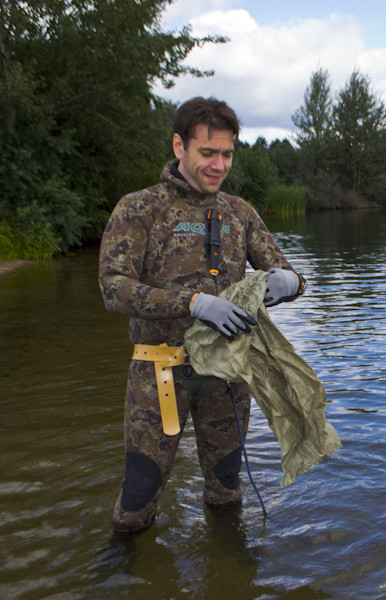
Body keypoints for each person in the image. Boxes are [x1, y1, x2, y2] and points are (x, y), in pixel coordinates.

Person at [99, 97, 305, 533]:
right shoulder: (139, 209)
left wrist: (291, 282)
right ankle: (122, 574)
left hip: (227, 377)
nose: (218, 165)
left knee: (227, 492)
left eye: (227, 154)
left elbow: (284, 270)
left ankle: (230, 570)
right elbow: (112, 288)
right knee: (137, 500)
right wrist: (192, 303)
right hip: (159, 376)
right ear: (179, 146)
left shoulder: (239, 212)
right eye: (207, 152)